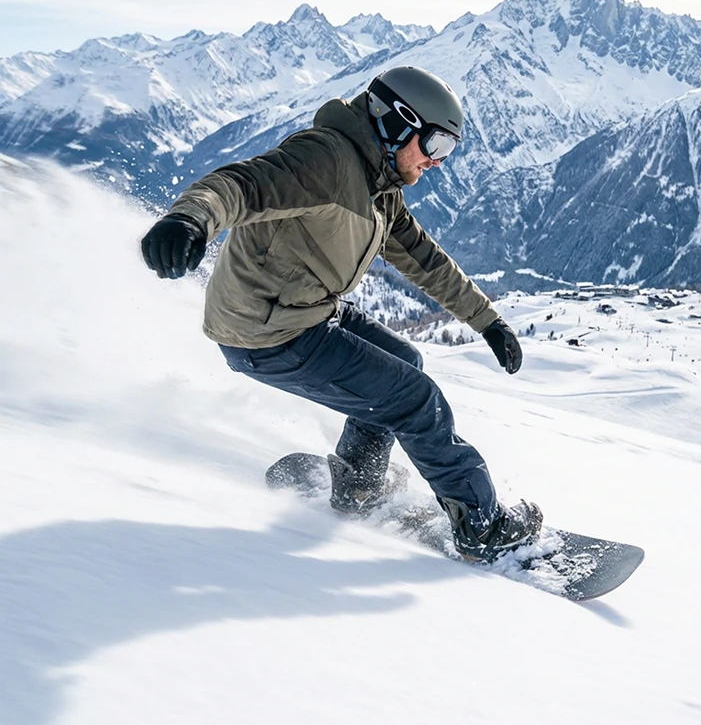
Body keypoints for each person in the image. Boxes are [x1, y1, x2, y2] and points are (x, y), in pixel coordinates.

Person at [140, 66, 542, 562]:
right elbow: (240, 186)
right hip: (266, 331)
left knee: (405, 363)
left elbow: (423, 258)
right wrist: (189, 218)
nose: (438, 162)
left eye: (449, 150)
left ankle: (357, 484)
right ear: (396, 122)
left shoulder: (379, 183)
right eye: (436, 144)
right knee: (415, 399)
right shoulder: (324, 159)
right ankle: (481, 527)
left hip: (306, 311)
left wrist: (487, 321)